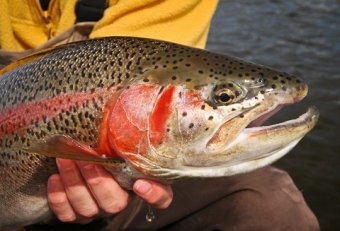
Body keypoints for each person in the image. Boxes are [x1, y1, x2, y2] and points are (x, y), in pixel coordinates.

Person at [0, 0, 320, 230]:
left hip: (119, 171)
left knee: (268, 206)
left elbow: (136, 63)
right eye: (223, 97)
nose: (226, 101)